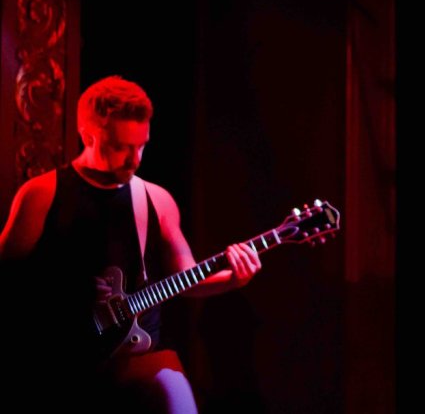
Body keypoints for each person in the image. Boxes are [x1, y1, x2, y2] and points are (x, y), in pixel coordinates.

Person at [0, 75, 262, 413]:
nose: (134, 159)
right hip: (60, 363)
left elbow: (188, 279)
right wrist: (64, 289)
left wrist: (235, 279)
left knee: (176, 394)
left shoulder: (156, 199)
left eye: (141, 146)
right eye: (121, 147)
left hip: (135, 358)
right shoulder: (41, 194)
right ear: (88, 137)